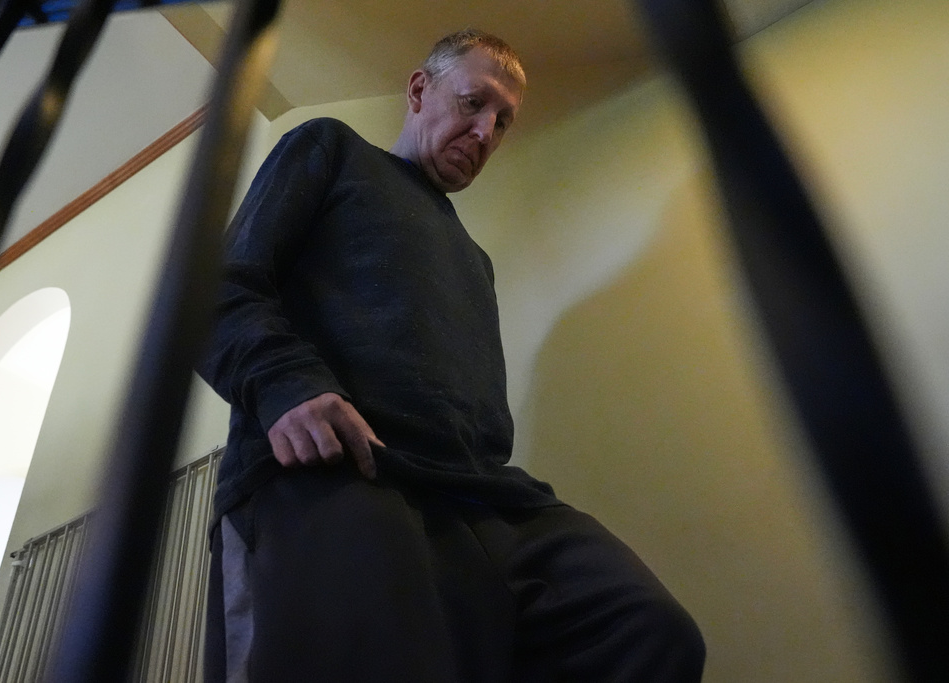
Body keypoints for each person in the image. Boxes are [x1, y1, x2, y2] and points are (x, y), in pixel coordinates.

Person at [198, 29, 705, 682]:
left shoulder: (475, 263)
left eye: (503, 122)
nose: (487, 131)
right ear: (418, 89)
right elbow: (222, 283)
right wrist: (284, 383)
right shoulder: (329, 149)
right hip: (346, 465)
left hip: (480, 495)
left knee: (648, 627)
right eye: (473, 103)